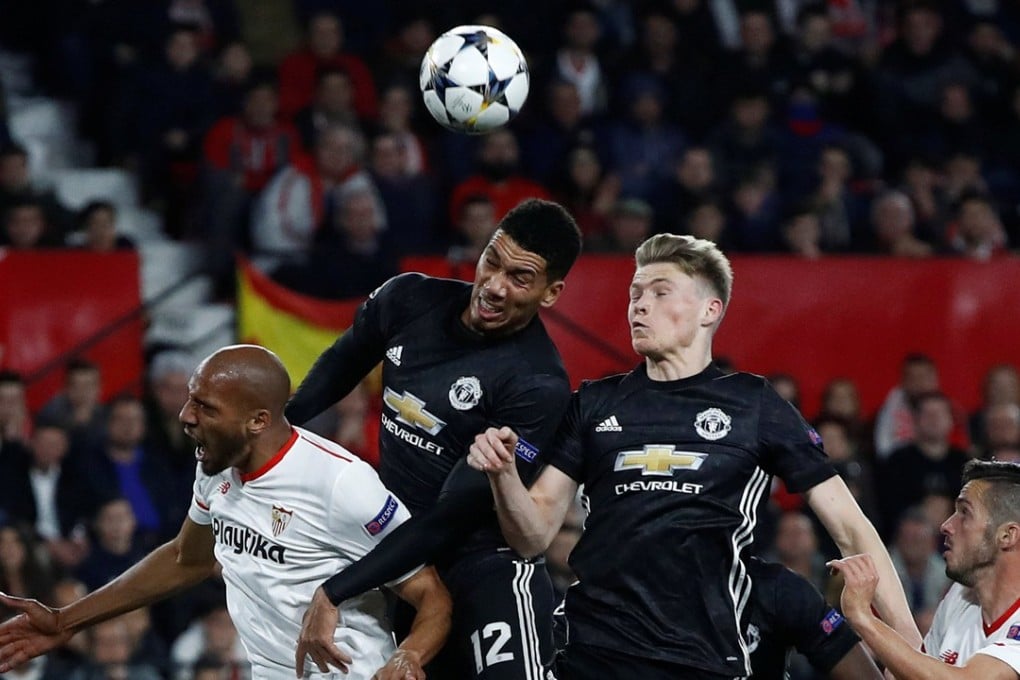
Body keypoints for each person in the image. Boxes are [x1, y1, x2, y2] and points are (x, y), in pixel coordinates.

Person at [467, 233, 920, 678]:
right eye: (636, 294)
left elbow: (851, 528)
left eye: (661, 293)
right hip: (592, 654)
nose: (640, 305)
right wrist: (504, 476)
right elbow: (532, 537)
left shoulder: (753, 404)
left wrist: (915, 651)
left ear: (710, 310)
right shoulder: (592, 402)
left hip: (702, 658)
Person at [0, 344, 451, 680]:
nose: (185, 416)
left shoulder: (340, 483)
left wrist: (407, 656)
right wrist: (65, 620)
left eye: (205, 407)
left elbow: (431, 595)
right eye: (190, 399)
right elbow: (186, 558)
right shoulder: (215, 465)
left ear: (257, 420)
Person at [284, 198, 583, 679]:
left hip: (481, 572)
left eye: (520, 278)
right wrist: (275, 432)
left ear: (551, 293)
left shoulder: (537, 385)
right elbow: (338, 368)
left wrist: (336, 590)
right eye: (492, 261)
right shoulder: (407, 299)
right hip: (404, 569)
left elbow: (450, 519)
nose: (494, 286)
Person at [833, 460, 1020, 678]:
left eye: (964, 513)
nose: (946, 526)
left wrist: (864, 618)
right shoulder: (959, 598)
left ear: (1007, 536)